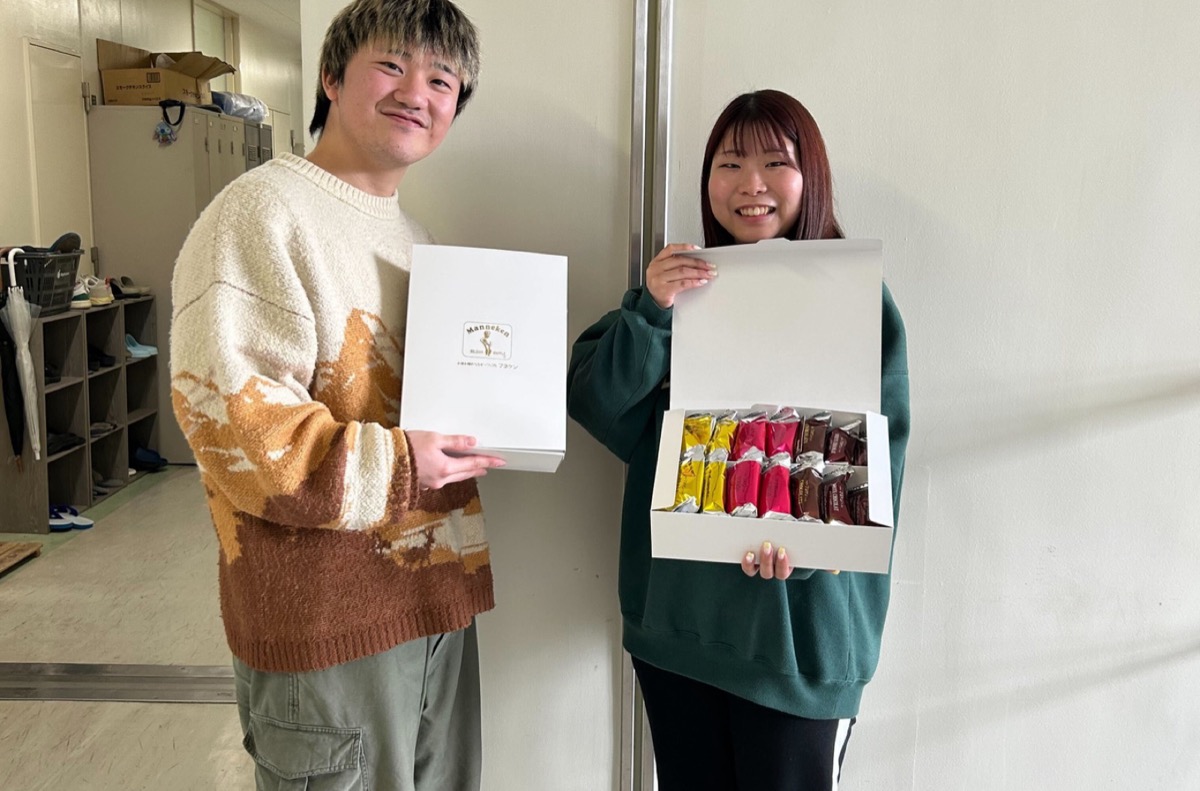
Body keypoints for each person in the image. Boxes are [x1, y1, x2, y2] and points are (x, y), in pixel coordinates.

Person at [169, 1, 504, 788]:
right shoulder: (260, 212)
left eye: (442, 79)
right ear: (330, 76)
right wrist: (405, 463)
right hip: (326, 627)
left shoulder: (413, 236)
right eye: (390, 64)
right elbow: (238, 430)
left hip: (430, 603)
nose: (416, 92)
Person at [566, 89, 911, 790]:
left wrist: (810, 546)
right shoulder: (682, 288)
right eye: (729, 164)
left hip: (795, 642)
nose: (751, 184)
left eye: (775, 163)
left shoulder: (854, 295)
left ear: (811, 176)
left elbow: (880, 464)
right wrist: (650, 309)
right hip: (679, 629)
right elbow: (598, 407)